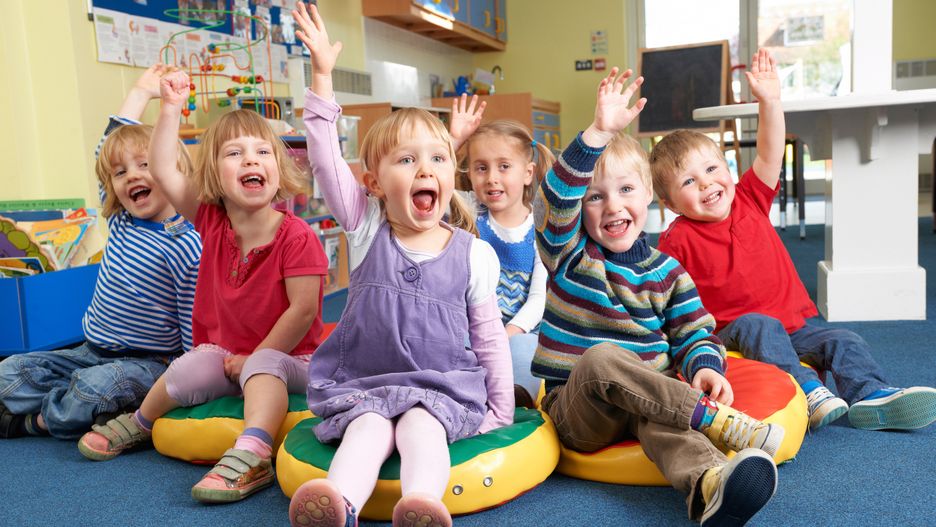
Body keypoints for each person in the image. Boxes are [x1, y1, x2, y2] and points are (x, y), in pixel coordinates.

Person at [288, 3, 513, 526]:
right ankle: (338, 503)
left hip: (438, 387)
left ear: (450, 175)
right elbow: (323, 158)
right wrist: (322, 77)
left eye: (437, 160)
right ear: (373, 184)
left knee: (420, 428)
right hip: (366, 382)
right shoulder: (367, 229)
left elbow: (489, 337)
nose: (425, 170)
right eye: (406, 161)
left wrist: (500, 409)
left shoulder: (473, 253)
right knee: (368, 429)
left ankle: (421, 505)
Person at [533, 66, 785, 526]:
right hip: (580, 410)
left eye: (626, 190)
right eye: (595, 198)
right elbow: (557, 197)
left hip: (649, 401)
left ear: (649, 194)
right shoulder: (567, 254)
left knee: (663, 421)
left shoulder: (669, 272)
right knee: (603, 358)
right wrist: (597, 133)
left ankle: (709, 486)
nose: (612, 206)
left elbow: (694, 333)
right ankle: (711, 419)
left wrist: (705, 366)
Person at [76, 67, 329, 504]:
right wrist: (169, 106)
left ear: (278, 166)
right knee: (189, 365)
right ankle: (140, 422)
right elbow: (161, 167)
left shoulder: (297, 236)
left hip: (291, 359)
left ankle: (252, 453)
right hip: (227, 356)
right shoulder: (211, 221)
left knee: (263, 367)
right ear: (213, 173)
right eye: (235, 154)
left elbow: (302, 311)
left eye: (262, 152)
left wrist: (256, 356)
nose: (251, 160)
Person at [652, 49, 936, 433]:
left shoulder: (750, 197)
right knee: (759, 326)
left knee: (844, 339)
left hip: (795, 326)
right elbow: (662, 294)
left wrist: (770, 101)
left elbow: (770, 153)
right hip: (735, 330)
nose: (706, 183)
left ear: (728, 169)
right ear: (668, 203)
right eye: (688, 182)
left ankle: (871, 394)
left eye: (712, 168)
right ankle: (808, 391)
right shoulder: (677, 239)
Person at [0, 64, 201, 441]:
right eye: (121, 174)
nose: (132, 177)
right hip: (89, 349)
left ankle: (34, 422)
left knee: (92, 390)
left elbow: (193, 318)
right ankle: (74, 404)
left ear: (172, 171)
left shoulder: (185, 242)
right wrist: (140, 92)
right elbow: (104, 150)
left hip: (147, 362)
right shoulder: (122, 218)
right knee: (8, 371)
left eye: (146, 165)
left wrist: (187, 379)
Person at [448, 96, 555, 407]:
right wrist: (454, 141)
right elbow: (434, 179)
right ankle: (462, 395)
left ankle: (514, 401)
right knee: (453, 345)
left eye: (504, 167)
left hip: (520, 331)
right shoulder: (468, 216)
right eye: (481, 168)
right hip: (474, 328)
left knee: (525, 352)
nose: (492, 177)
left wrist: (507, 332)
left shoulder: (541, 229)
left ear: (527, 173)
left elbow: (538, 298)